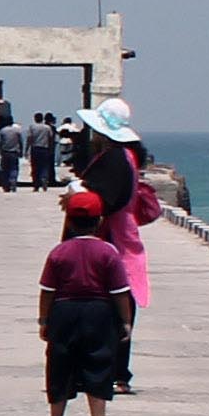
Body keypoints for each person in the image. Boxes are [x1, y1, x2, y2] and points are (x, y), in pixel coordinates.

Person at [71, 101, 154, 389]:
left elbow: (104, 199)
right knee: (120, 299)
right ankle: (117, 370)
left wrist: (77, 196)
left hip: (112, 237)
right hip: (123, 234)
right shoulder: (126, 156)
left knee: (113, 301)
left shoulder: (114, 159)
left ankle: (112, 371)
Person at [40, 191, 134, 416]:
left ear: (69, 222)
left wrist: (44, 319)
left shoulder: (59, 252)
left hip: (64, 310)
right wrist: (125, 321)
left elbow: (47, 290)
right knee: (99, 361)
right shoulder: (108, 252)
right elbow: (119, 292)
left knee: (59, 362)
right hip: (98, 311)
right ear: (100, 221)